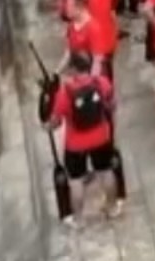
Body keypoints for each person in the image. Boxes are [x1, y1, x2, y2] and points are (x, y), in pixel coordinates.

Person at [45, 51, 124, 221]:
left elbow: (55, 122)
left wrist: (47, 125)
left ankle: (79, 219)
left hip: (75, 145)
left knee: (76, 180)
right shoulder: (102, 83)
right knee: (106, 171)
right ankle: (112, 208)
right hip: (101, 137)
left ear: (73, 69)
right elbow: (112, 105)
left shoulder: (65, 93)